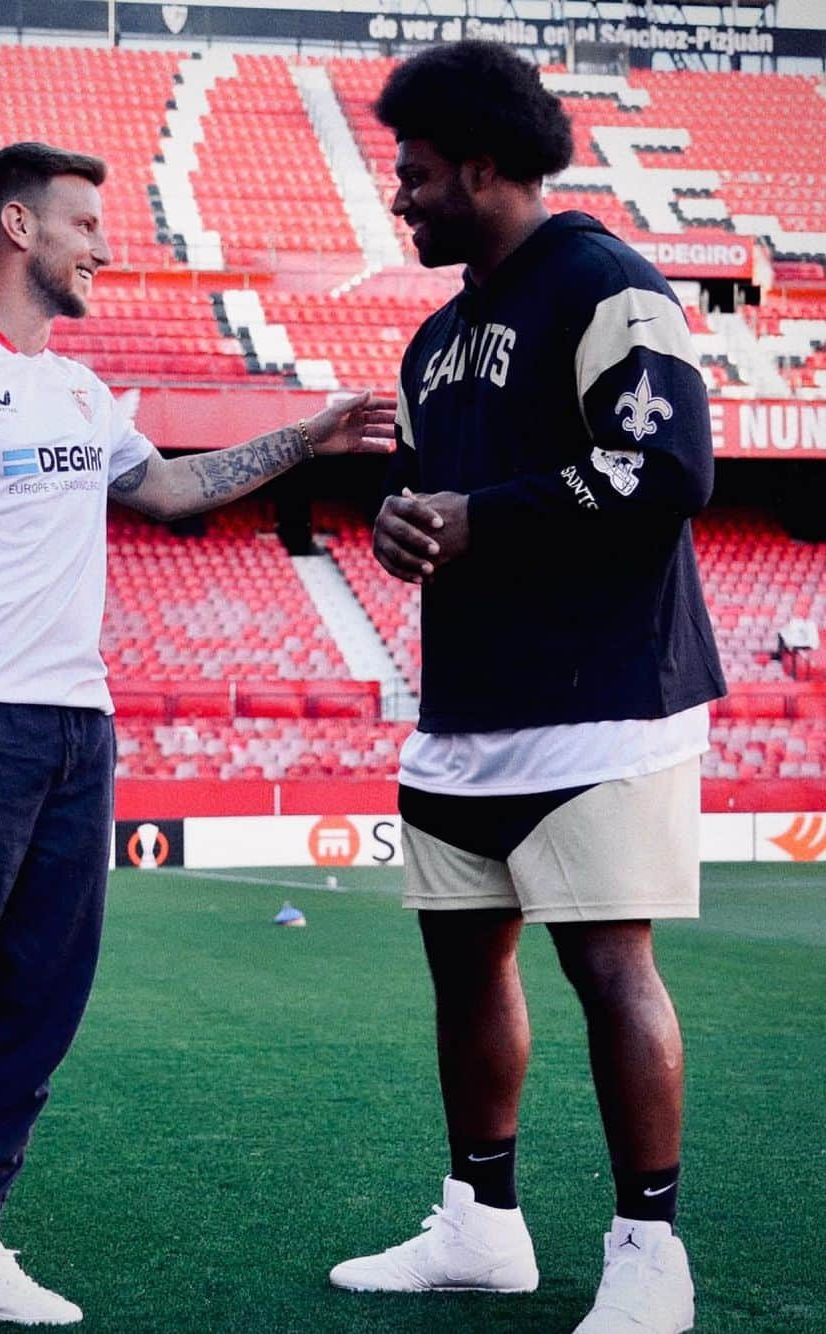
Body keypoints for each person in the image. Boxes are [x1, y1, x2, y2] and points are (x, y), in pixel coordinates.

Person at [0, 140, 394, 1334]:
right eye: (85, 224)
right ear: (20, 228)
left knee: (37, 1006)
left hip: (82, 732)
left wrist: (310, 433)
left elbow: (172, 490)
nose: (103, 246)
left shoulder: (81, 390)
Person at [327, 42, 725, 1334]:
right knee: (465, 969)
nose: (403, 200)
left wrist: (475, 517)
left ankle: (650, 1249)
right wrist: (401, 527)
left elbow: (668, 471)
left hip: (605, 695)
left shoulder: (610, 282)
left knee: (611, 964)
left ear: (486, 166)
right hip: (467, 712)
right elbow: (444, 501)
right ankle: (483, 1225)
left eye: (420, 174)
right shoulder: (436, 341)